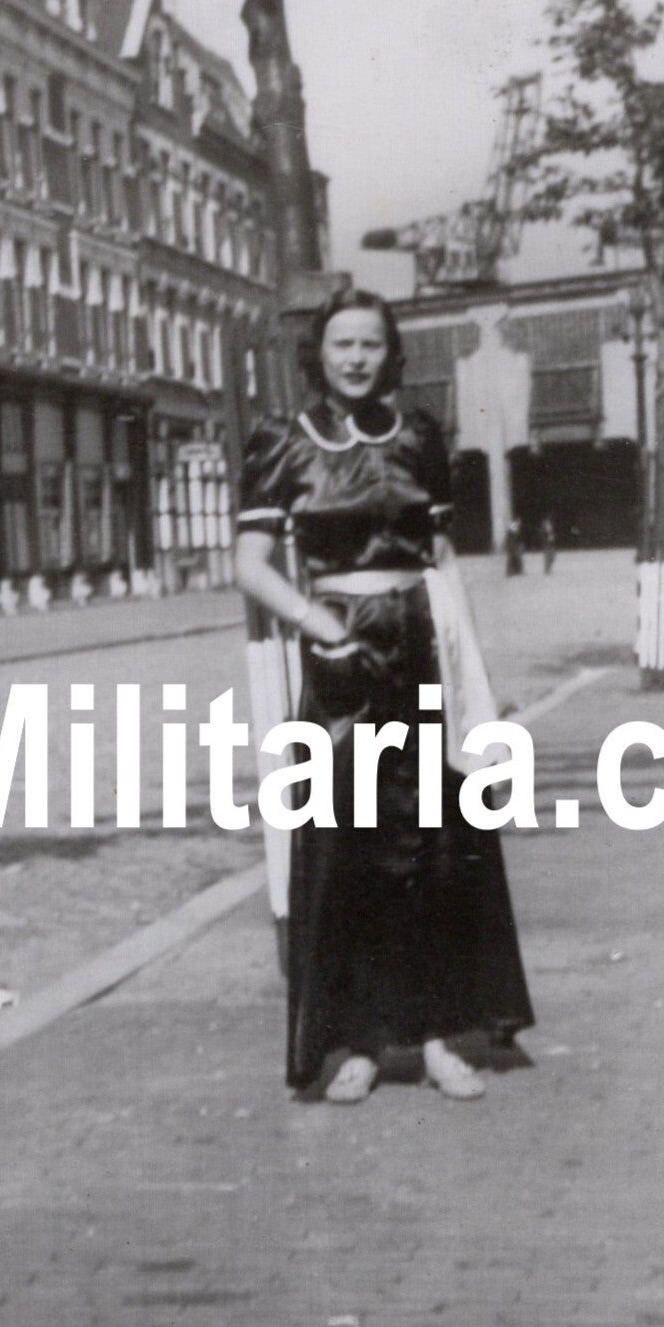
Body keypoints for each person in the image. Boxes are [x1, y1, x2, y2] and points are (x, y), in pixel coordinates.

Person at [234, 288, 534, 1104]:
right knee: (351, 843)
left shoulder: (419, 435)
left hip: (420, 638)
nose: (356, 358)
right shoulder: (282, 441)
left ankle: (436, 1040)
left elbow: (441, 555)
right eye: (342, 344)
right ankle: (361, 1042)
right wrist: (319, 625)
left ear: (388, 353)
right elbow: (250, 563)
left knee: (436, 841)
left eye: (370, 344)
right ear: (319, 354)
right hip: (342, 656)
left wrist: (474, 676)